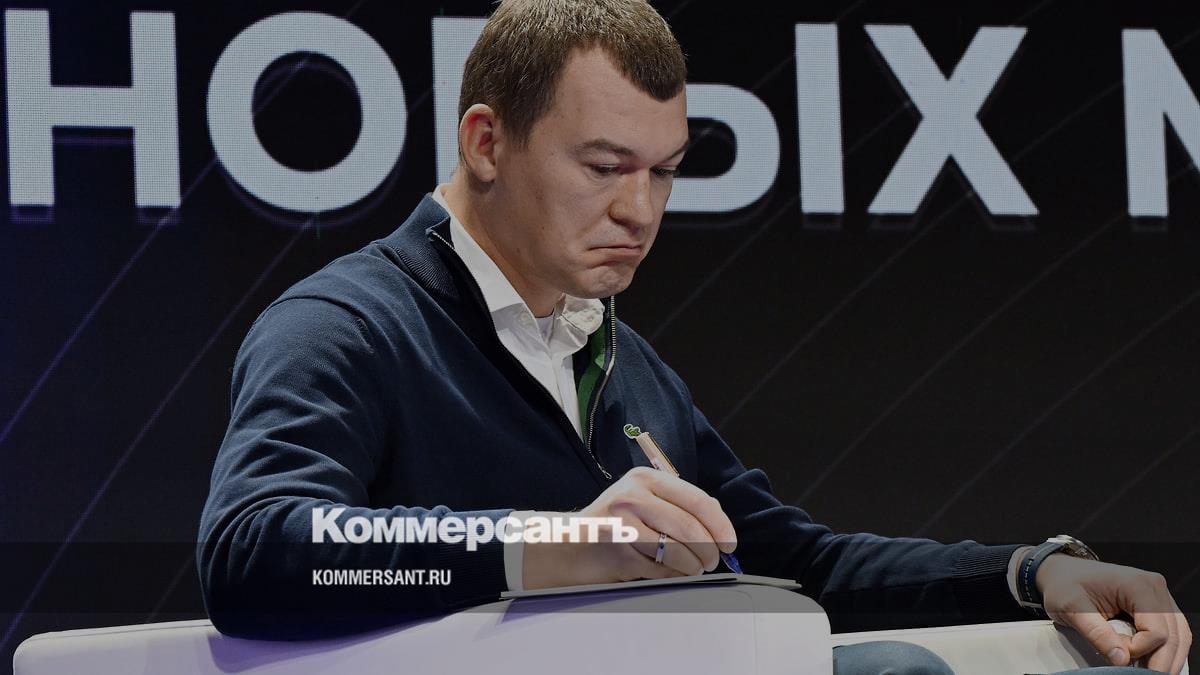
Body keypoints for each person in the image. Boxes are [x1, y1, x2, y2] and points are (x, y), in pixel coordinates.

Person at [197, 1, 1191, 672]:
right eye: (604, 166)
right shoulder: (345, 326)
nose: (641, 210)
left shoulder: (620, 359)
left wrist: (1031, 571)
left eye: (664, 172)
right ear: (487, 142)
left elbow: (795, 565)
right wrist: (553, 544)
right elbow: (252, 552)